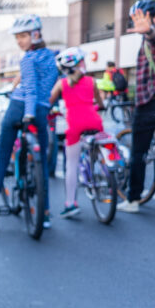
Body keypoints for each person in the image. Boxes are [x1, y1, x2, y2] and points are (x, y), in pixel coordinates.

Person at [0, 14, 57, 230]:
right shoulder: (51, 57)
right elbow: (46, 86)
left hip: (20, 109)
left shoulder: (27, 59)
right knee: (41, 161)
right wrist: (38, 110)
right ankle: (44, 214)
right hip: (42, 110)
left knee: (2, 159)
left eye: (23, 36)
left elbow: (31, 88)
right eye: (17, 37)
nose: (20, 41)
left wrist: (28, 114)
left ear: (35, 34)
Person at [117, 0, 155, 213]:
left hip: (149, 103)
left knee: (138, 153)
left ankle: (133, 200)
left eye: (143, 16)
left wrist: (149, 30)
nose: (138, 21)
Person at [48, 47, 105, 218]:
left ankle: (70, 203)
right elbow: (100, 104)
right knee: (99, 149)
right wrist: (97, 106)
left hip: (74, 126)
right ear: (80, 64)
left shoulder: (62, 84)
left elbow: (48, 102)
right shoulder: (91, 81)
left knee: (71, 165)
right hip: (94, 121)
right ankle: (104, 173)